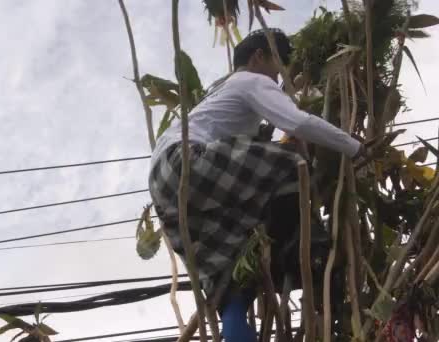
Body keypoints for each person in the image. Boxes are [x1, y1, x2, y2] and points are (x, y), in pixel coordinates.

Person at [149, 28, 366, 342]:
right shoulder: (251, 80)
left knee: (233, 286)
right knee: (294, 166)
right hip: (185, 161)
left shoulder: (220, 96)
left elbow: (246, 153)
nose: (278, 80)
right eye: (278, 68)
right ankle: (300, 247)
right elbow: (298, 122)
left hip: (165, 187)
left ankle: (237, 306)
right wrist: (355, 148)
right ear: (259, 57)